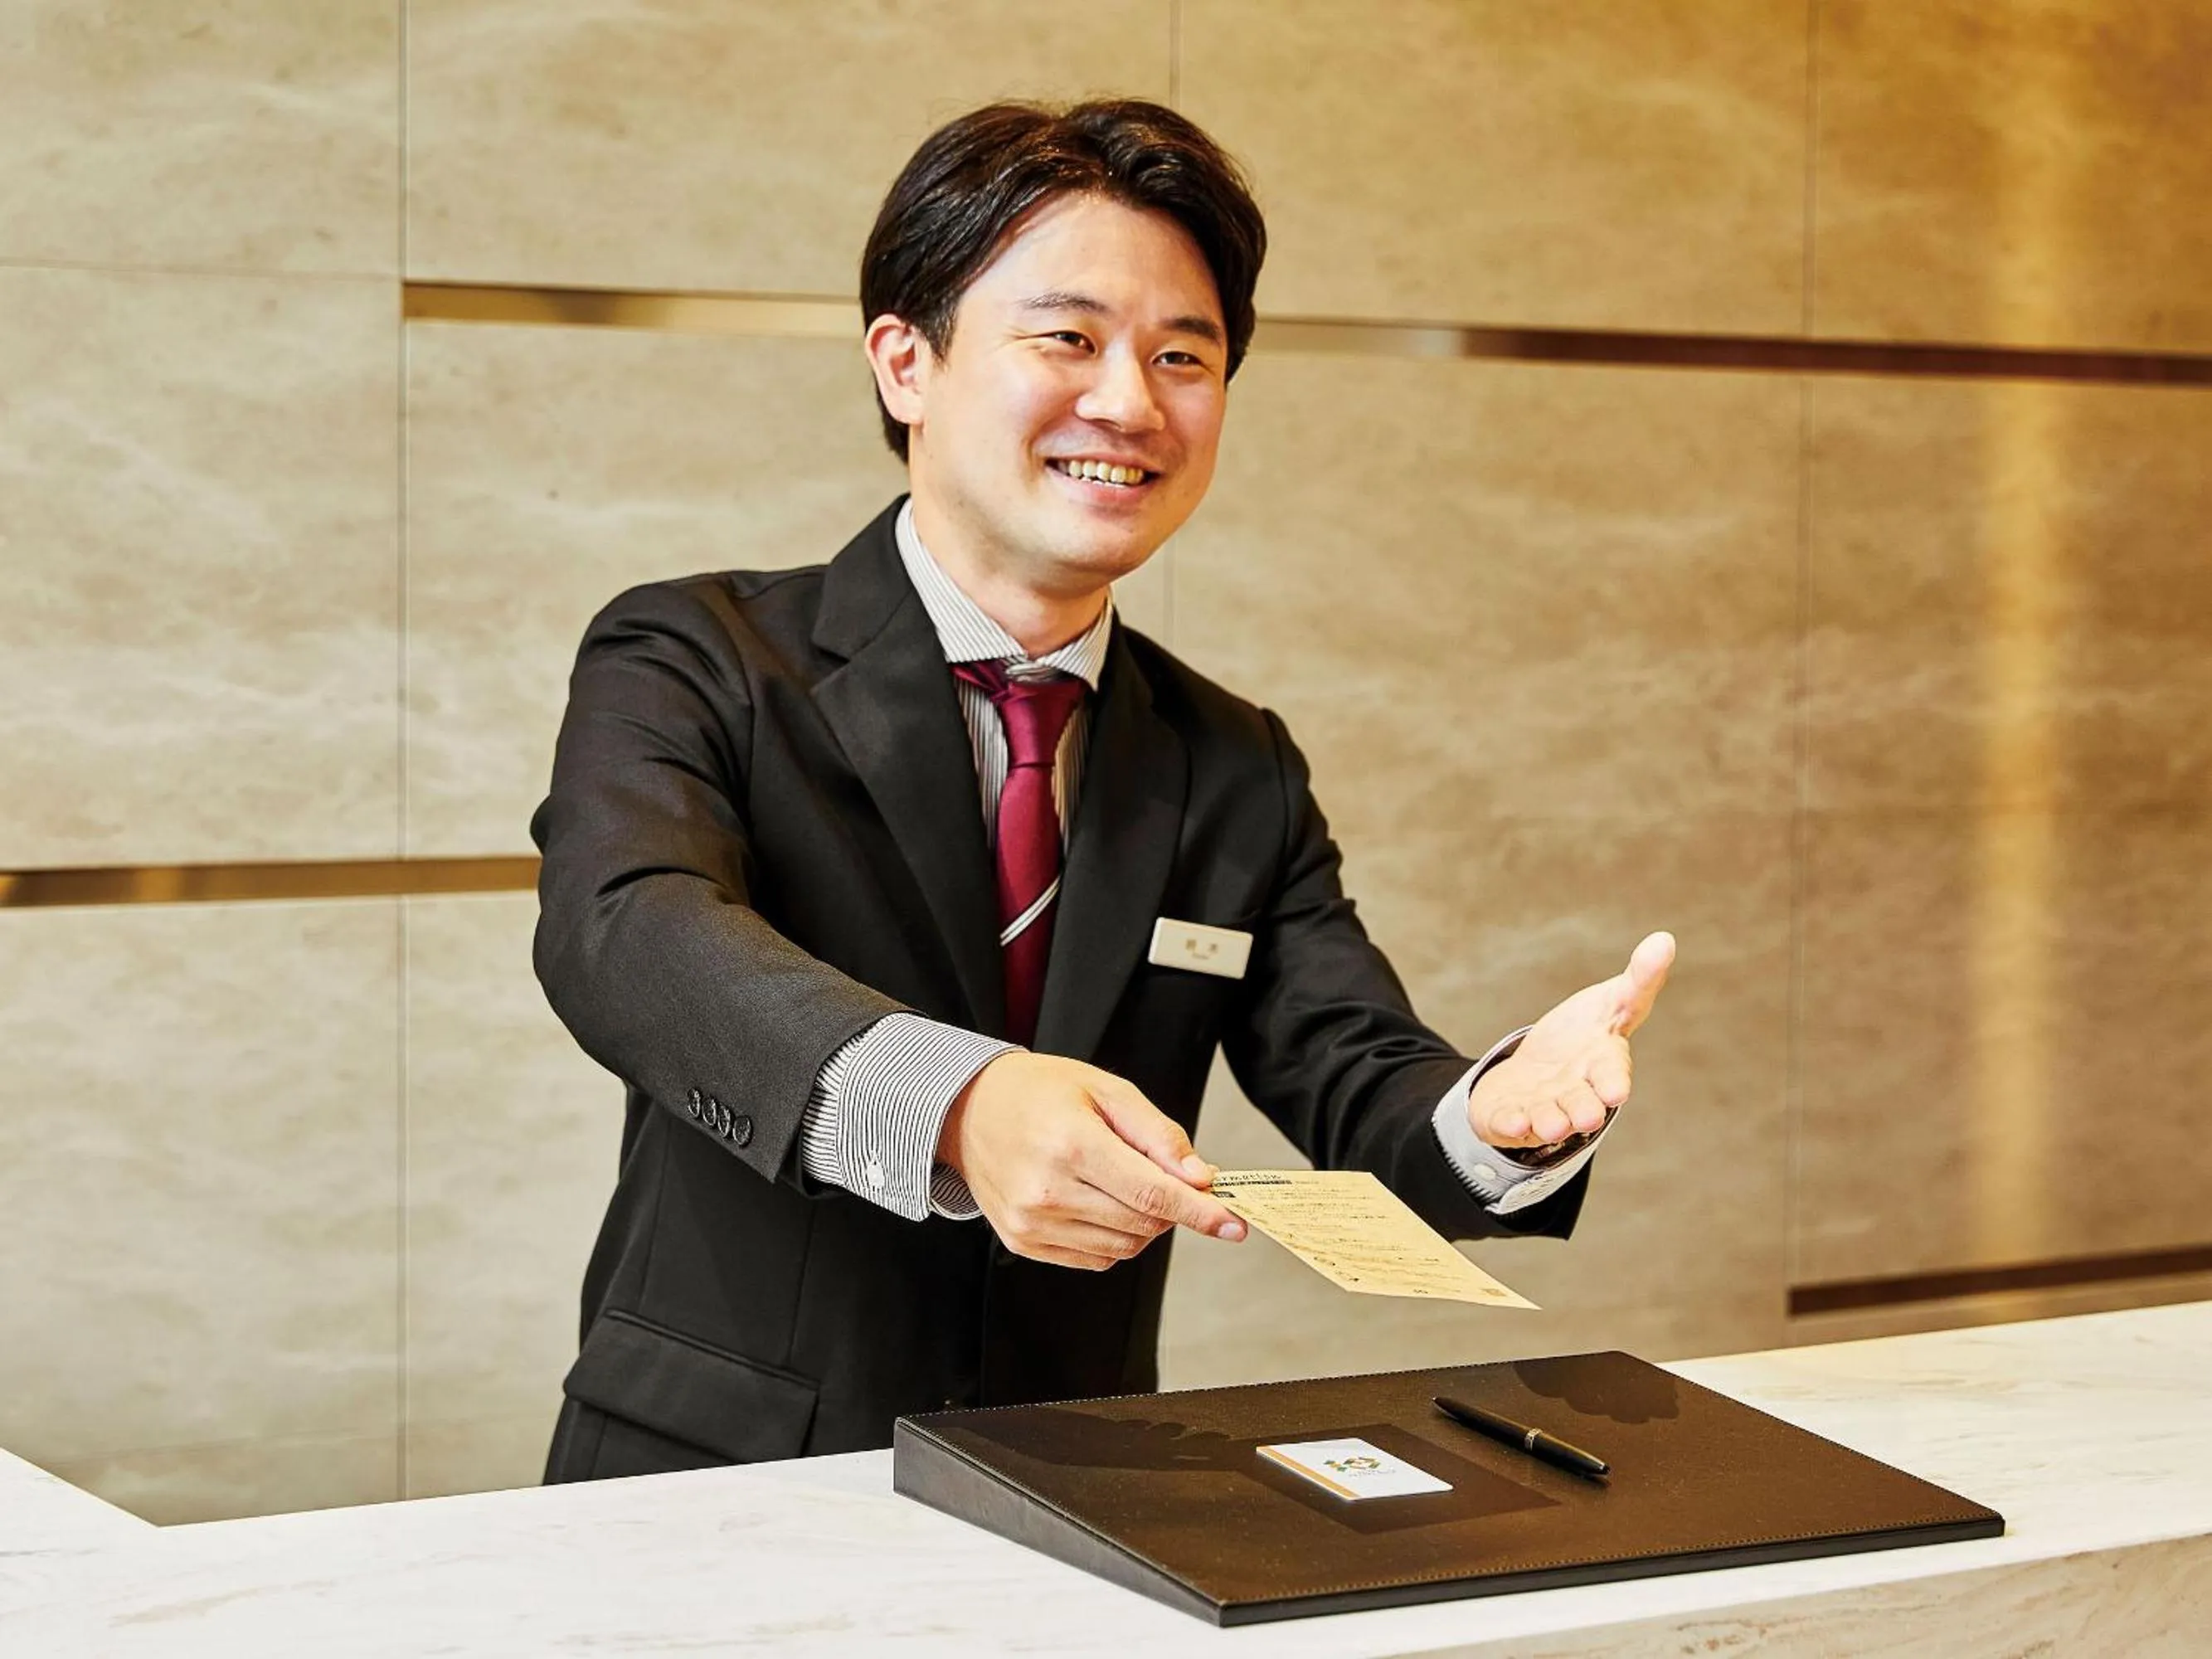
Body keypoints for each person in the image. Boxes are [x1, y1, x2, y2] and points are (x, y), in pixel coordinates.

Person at [534, 99, 1675, 1482]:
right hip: (717, 1474)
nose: (1127, 404)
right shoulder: (699, 654)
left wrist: (1495, 1115)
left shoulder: (1228, 757)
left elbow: (1349, 1070)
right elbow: (627, 932)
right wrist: (961, 1104)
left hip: (1076, 1482)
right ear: (906, 361)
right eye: (1067, 337)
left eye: (1181, 355)